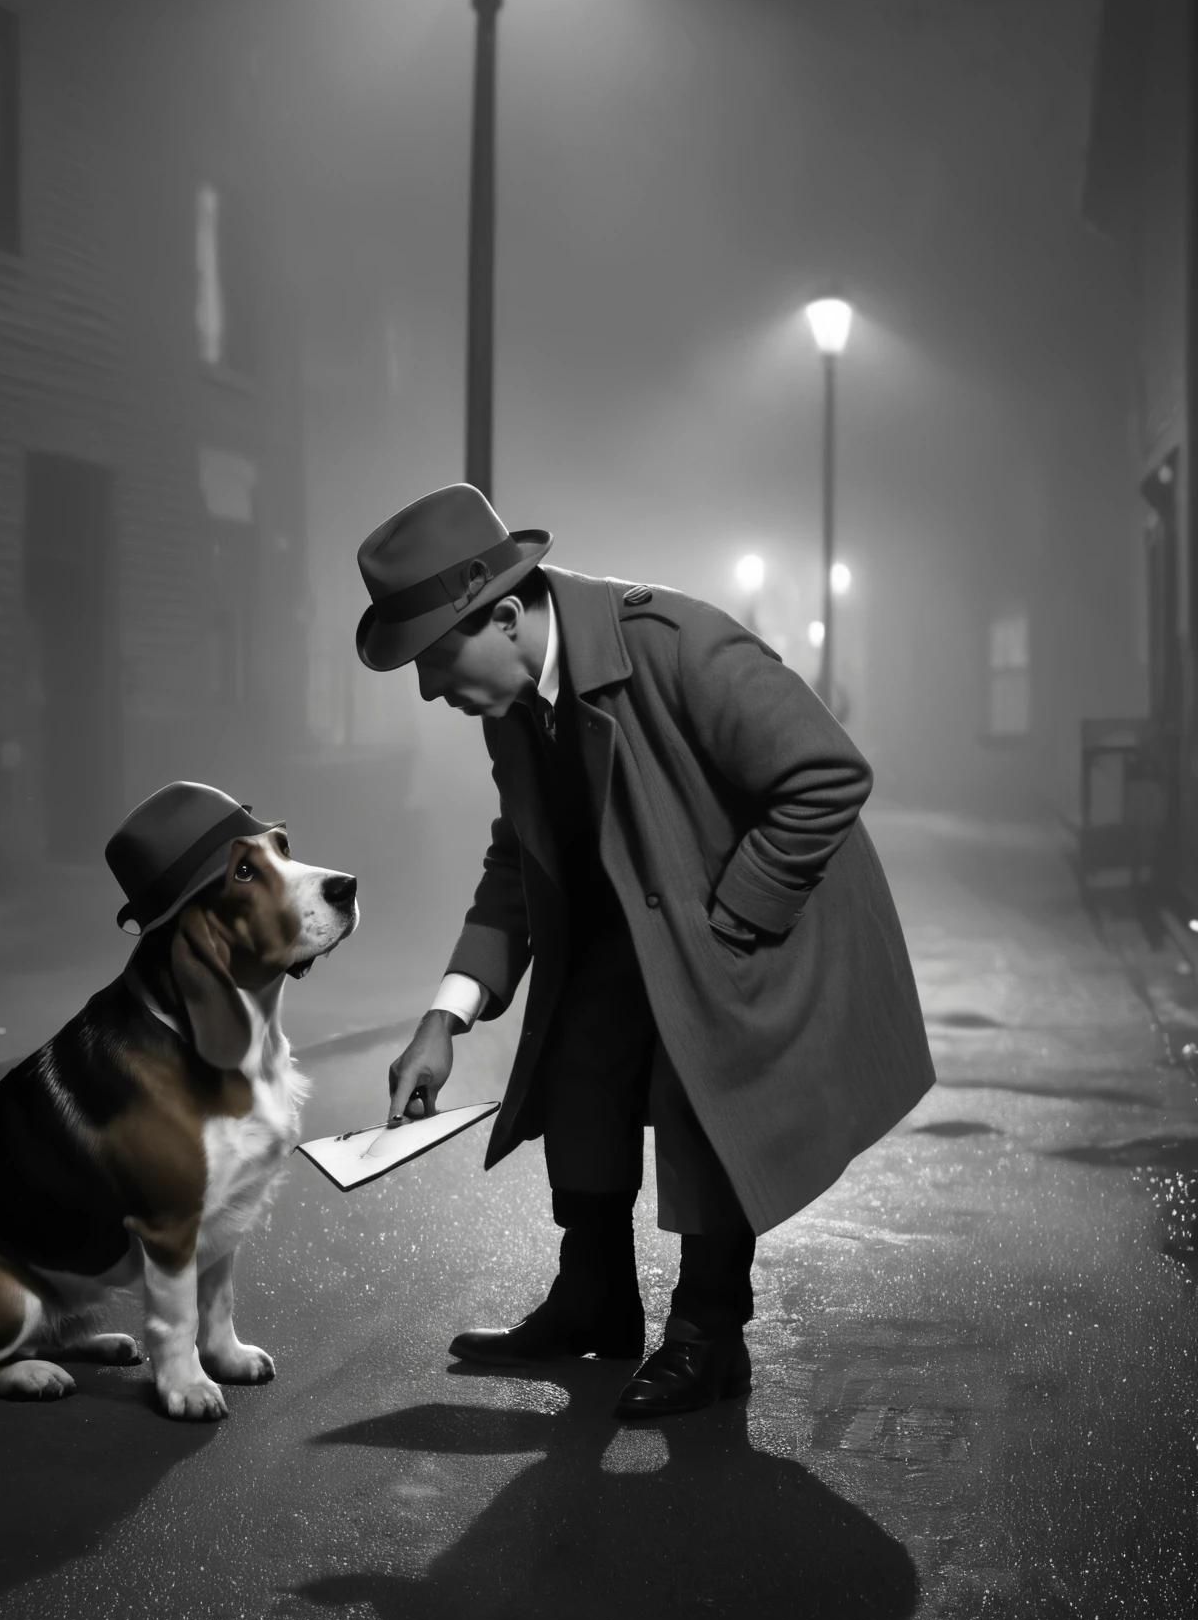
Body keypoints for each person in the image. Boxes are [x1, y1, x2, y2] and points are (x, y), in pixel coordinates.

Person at [355, 483, 933, 1419]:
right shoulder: (511, 703)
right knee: (580, 1047)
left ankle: (709, 1335)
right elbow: (522, 859)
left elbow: (827, 774)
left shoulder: (677, 642)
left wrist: (728, 928)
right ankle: (596, 1300)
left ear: (505, 616)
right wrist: (445, 1016)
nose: (427, 688)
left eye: (432, 657)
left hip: (755, 922)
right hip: (649, 922)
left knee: (698, 1080)